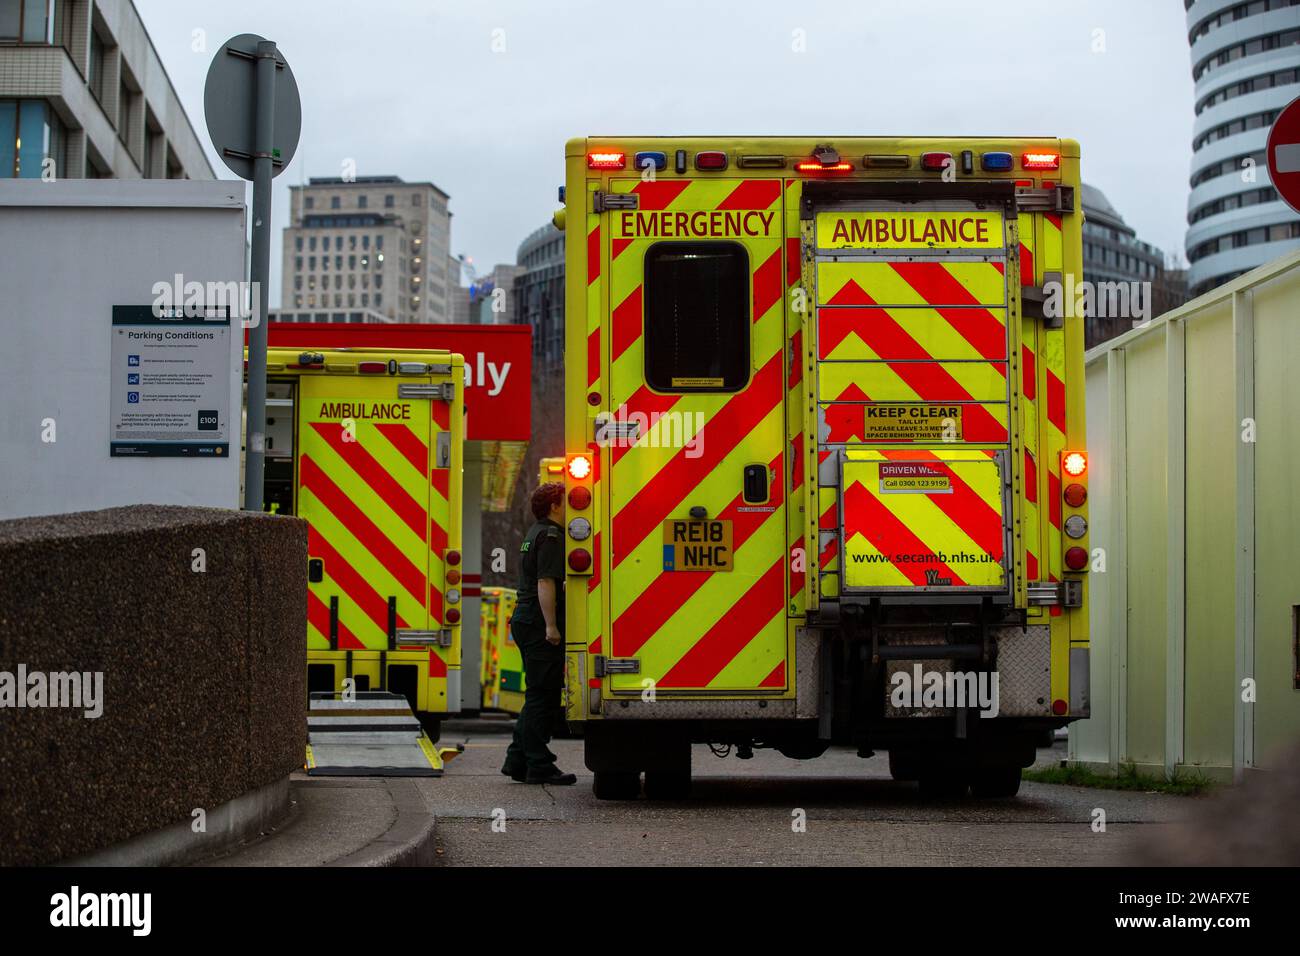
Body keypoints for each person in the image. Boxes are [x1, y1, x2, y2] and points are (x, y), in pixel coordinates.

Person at [501, 482, 577, 785]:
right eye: (566, 501)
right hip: (537, 622)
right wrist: (551, 625)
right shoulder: (551, 537)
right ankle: (539, 764)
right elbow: (546, 583)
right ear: (555, 506)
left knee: (536, 693)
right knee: (542, 697)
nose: (572, 506)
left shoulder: (534, 533)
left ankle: (517, 760)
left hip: (525, 619)